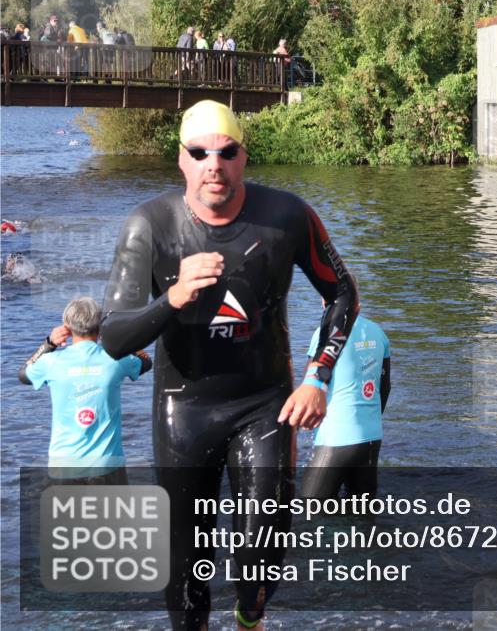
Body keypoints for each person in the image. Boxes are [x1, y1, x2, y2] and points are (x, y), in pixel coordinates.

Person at [100, 99, 359, 630]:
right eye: (199, 153)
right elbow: (112, 338)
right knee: (185, 565)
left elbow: (343, 294)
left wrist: (317, 377)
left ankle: (249, 616)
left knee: (264, 539)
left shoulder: (288, 216)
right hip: (183, 412)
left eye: (226, 151)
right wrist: (170, 298)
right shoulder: (149, 226)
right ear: (181, 161)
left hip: (265, 404)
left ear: (244, 157)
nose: (212, 164)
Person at [18, 297, 151, 484]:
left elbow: (24, 374)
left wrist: (49, 344)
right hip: (108, 465)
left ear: (67, 327)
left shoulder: (50, 363)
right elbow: (146, 362)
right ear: (99, 326)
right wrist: (119, 338)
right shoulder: (116, 360)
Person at [301, 312, 390, 499]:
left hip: (335, 440)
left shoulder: (326, 334)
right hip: (371, 438)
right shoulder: (378, 332)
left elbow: (309, 389)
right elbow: (385, 387)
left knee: (310, 509)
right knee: (363, 512)